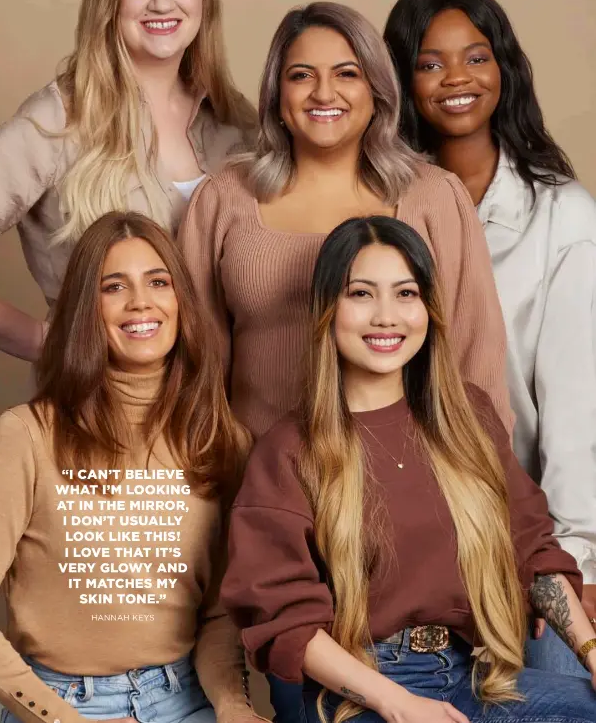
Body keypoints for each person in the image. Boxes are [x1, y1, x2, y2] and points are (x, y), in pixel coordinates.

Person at [221, 215, 596, 723]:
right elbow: (285, 624)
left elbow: (531, 549)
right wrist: (397, 704)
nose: (386, 316)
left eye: (405, 293)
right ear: (327, 310)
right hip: (357, 696)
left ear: (427, 309)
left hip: (472, 678)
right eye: (361, 294)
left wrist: (591, 653)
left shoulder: (468, 417)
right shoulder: (288, 452)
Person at [0, 211, 260, 723]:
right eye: (113, 287)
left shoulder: (219, 438)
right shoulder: (26, 436)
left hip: (187, 695)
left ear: (180, 301)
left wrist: (233, 707)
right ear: (85, 310)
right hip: (61, 704)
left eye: (158, 282)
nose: (141, 302)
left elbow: (218, 614)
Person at [383, 0, 596, 677]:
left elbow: (576, 408)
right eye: (430, 62)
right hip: (402, 540)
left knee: (557, 696)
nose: (456, 79)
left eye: (476, 57)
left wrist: (576, 561)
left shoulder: (561, 216)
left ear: (504, 67)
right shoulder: (378, 209)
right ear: (402, 78)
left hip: (525, 532)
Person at [178, 0, 511, 442]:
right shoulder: (223, 198)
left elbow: (475, 361)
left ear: (376, 91)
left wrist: (487, 486)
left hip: (404, 481)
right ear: (277, 97)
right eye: (301, 75)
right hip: (255, 480)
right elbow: (193, 370)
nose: (323, 93)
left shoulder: (434, 196)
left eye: (347, 73)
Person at [0, 0, 256, 362]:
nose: (161, 2)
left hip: (219, 413)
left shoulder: (236, 119)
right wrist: (47, 346)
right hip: (100, 410)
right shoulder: (59, 119)